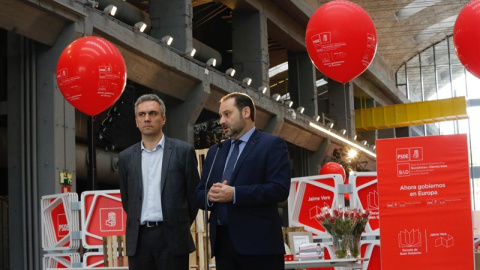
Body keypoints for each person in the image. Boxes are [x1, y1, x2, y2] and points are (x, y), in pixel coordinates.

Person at [194, 92, 291, 270]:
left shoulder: (271, 144)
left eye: (227, 114)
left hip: (260, 247)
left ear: (246, 112)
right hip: (223, 246)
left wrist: (235, 194)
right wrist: (211, 196)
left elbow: (279, 189)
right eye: (220, 115)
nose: (221, 121)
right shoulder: (216, 151)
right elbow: (199, 193)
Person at [118, 94, 200, 270]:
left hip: (172, 237)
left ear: (163, 119)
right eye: (142, 114)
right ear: (136, 121)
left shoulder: (183, 152)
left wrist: (177, 222)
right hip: (139, 240)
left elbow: (194, 196)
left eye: (153, 113)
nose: (147, 118)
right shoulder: (125, 157)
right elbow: (127, 200)